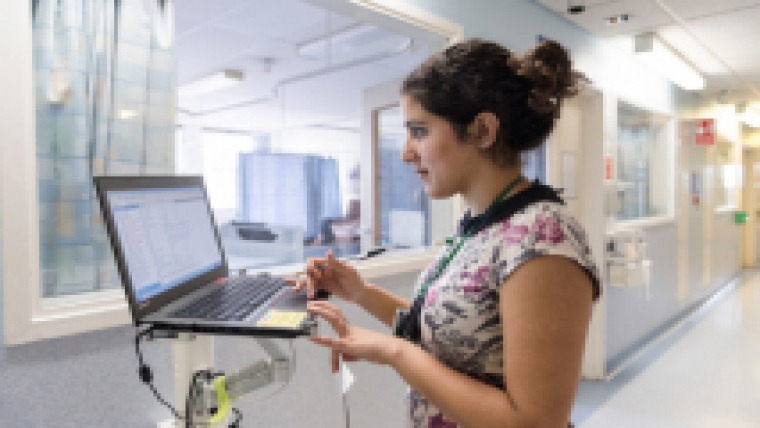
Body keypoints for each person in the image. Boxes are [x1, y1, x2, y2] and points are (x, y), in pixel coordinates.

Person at [288, 38, 600, 428]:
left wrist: (393, 352)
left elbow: (533, 421)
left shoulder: (544, 240)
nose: (406, 152)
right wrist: (360, 292)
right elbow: (448, 328)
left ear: (483, 130)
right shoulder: (483, 224)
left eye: (419, 131)